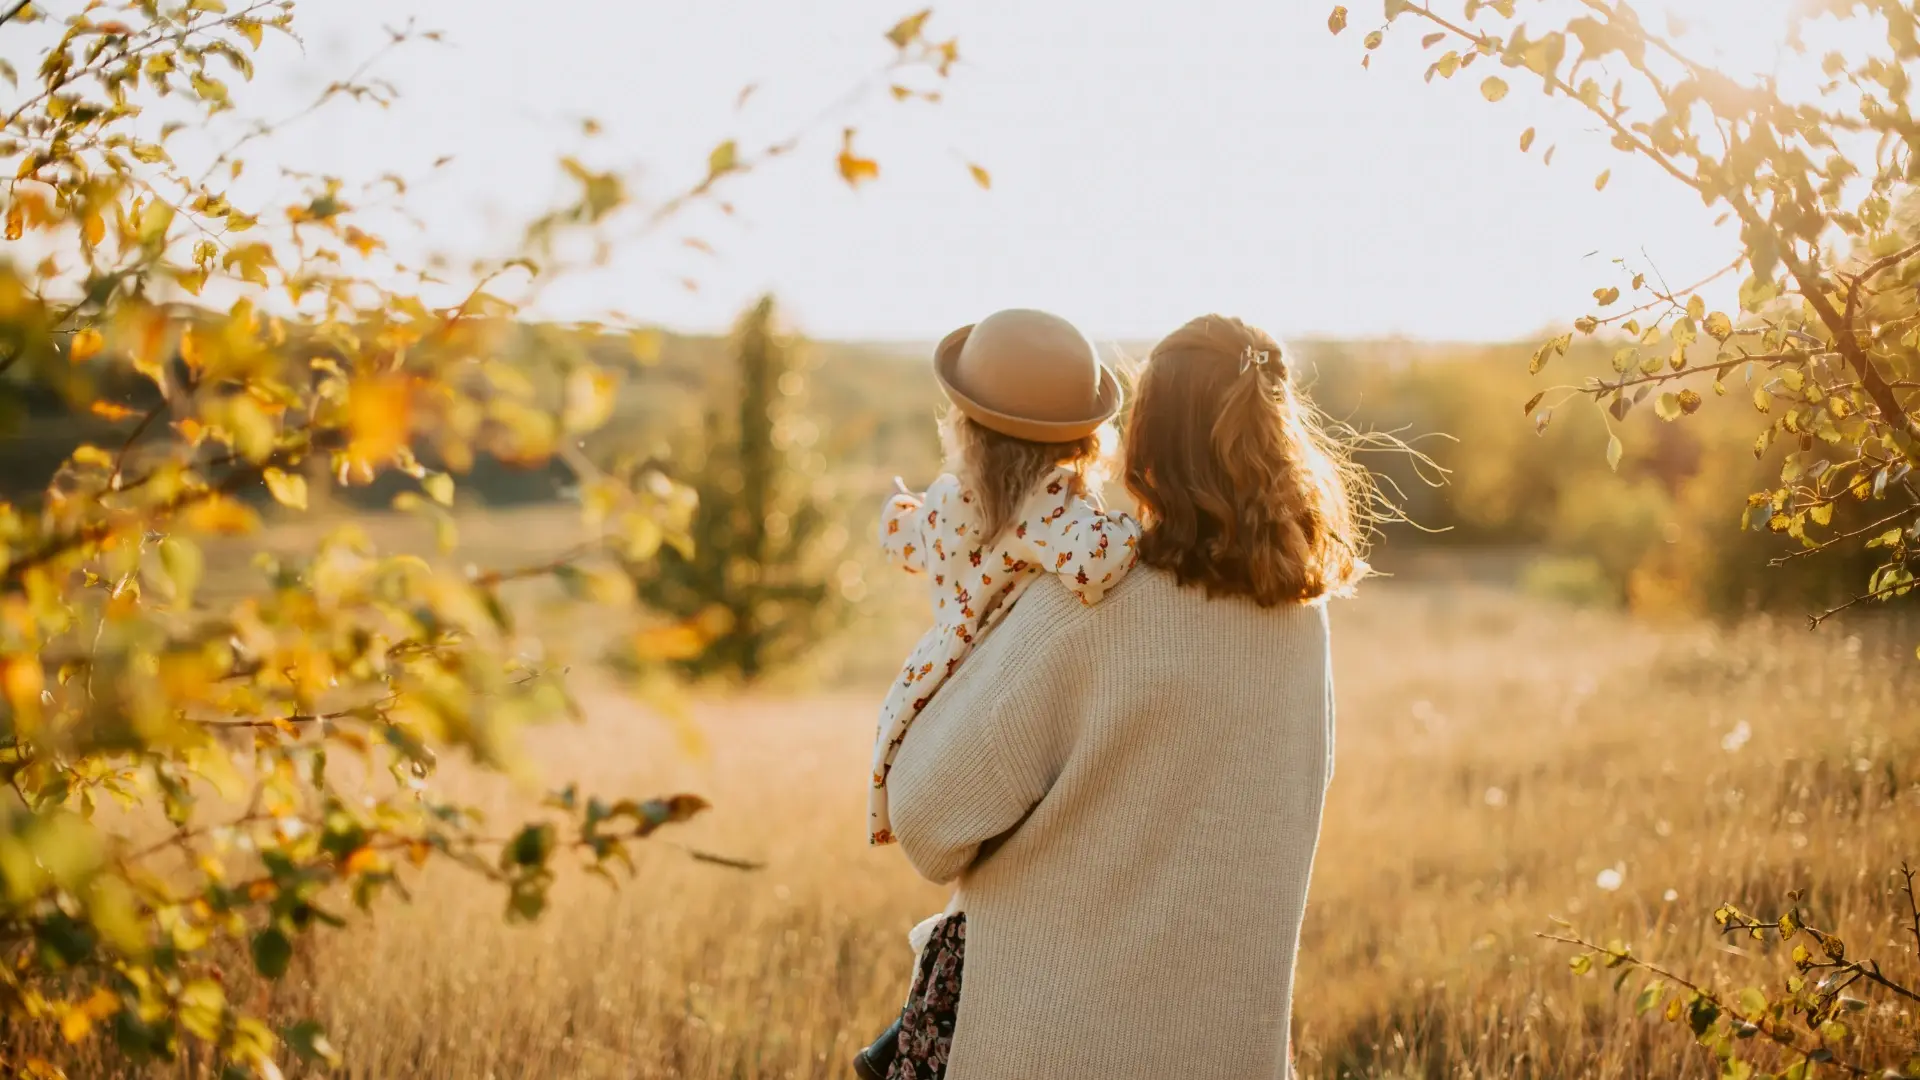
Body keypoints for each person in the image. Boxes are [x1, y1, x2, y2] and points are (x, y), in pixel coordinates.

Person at [881, 314, 1368, 1079]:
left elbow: (926, 820)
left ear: (1143, 442)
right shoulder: (1302, 624)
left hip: (1052, 1054)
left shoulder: (1083, 605)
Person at [854, 308, 1141, 1080]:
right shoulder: (1054, 514)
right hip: (996, 706)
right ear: (1086, 443)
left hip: (931, 692)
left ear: (964, 430)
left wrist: (900, 510)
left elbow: (902, 538)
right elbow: (1105, 564)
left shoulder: (951, 503)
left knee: (976, 893)